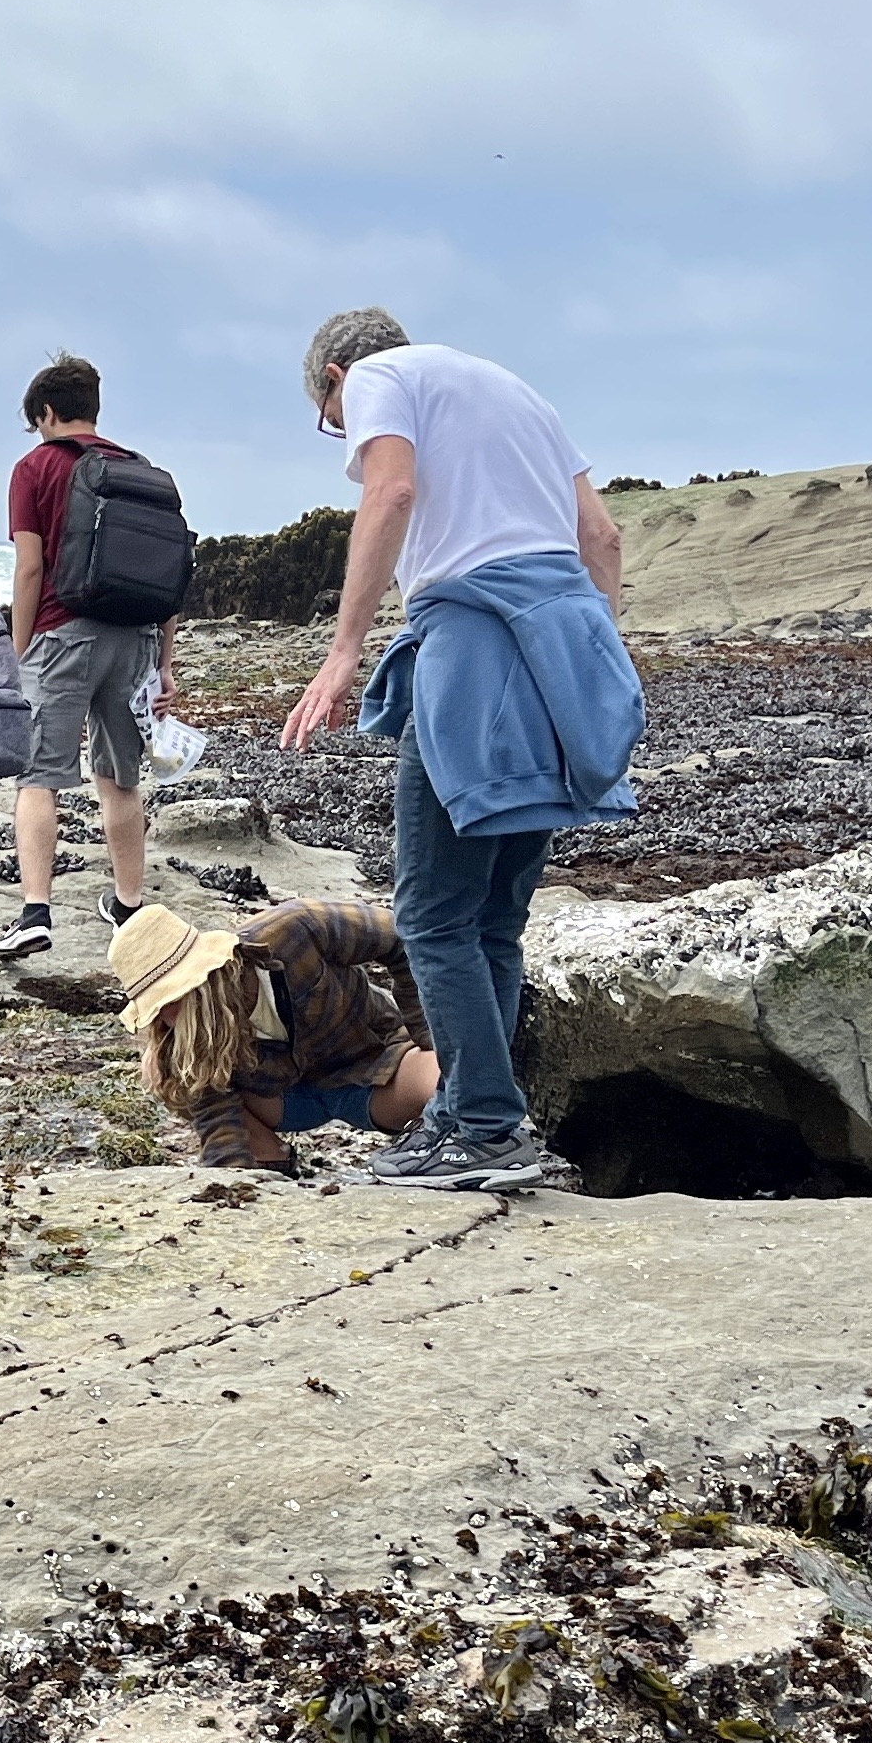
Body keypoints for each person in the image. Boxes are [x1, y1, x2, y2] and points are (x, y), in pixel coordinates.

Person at [280, 308, 644, 1193]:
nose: (347, 436)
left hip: (475, 648)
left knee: (434, 908)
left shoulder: (377, 378)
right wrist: (581, 657)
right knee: (494, 918)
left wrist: (341, 653)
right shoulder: (517, 390)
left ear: (335, 377)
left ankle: (484, 1127)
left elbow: (393, 493)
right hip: (560, 648)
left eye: (336, 429)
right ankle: (466, 1110)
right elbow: (602, 538)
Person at [0, 352, 177, 960]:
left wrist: (20, 654)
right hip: (136, 639)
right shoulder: (142, 472)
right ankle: (128, 904)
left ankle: (35, 912)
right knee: (120, 778)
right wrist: (164, 662)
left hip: (62, 634)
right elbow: (168, 575)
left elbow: (29, 568)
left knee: (39, 777)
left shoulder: (35, 468)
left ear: (45, 413)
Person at [110, 898, 441, 1170]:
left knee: (449, 1073)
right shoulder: (174, 1035)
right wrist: (234, 1180)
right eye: (154, 1009)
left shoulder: (296, 929)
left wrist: (426, 1031)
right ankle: (273, 1164)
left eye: (167, 1001)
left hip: (376, 1068)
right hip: (283, 1100)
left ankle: (458, 1147)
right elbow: (217, 1118)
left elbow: (404, 937)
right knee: (166, 1070)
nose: (164, 1018)